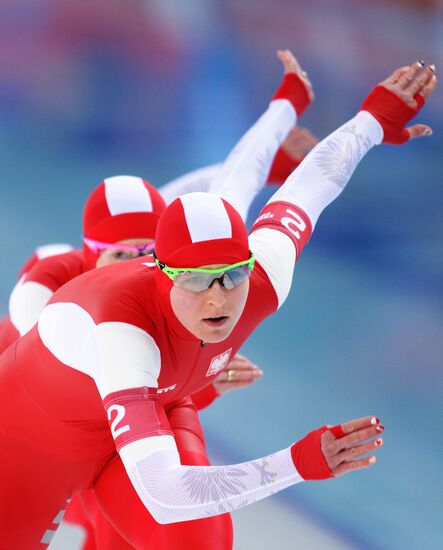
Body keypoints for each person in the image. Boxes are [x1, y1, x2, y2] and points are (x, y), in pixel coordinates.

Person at [0, 59, 435, 549]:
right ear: (162, 277)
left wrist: (370, 122)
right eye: (195, 281)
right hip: (32, 440)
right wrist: (296, 462)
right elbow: (165, 495)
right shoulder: (124, 331)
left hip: (149, 413)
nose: (219, 297)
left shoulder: (265, 271)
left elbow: (299, 189)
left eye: (232, 275)